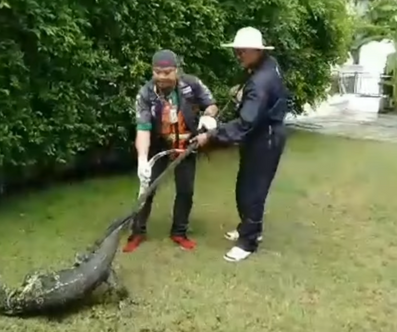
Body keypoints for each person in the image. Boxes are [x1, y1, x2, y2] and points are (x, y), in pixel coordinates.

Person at [191, 27, 290, 262]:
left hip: (264, 137)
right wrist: (241, 93)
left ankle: (248, 241)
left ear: (257, 50)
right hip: (261, 134)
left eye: (242, 51)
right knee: (245, 186)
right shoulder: (265, 65)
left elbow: (245, 123)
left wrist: (211, 135)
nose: (238, 55)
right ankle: (248, 226)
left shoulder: (259, 81)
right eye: (237, 51)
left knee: (252, 191)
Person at [123, 49, 219, 253]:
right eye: (157, 72)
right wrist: (142, 159)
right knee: (147, 188)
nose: (162, 77)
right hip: (160, 145)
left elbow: (211, 105)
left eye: (167, 72)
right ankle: (137, 232)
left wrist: (208, 116)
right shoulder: (146, 94)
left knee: (185, 191)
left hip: (187, 145)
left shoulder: (192, 85)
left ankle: (179, 232)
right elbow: (143, 129)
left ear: (176, 71)